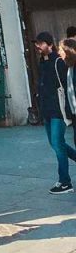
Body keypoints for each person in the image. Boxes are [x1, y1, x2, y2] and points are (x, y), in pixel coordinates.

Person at [34, 31, 76, 193]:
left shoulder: (58, 61)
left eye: (40, 43)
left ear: (49, 45)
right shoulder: (42, 62)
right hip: (46, 110)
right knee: (55, 144)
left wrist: (68, 110)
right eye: (36, 44)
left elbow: (67, 87)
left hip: (58, 110)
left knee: (58, 144)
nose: (38, 46)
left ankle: (65, 182)